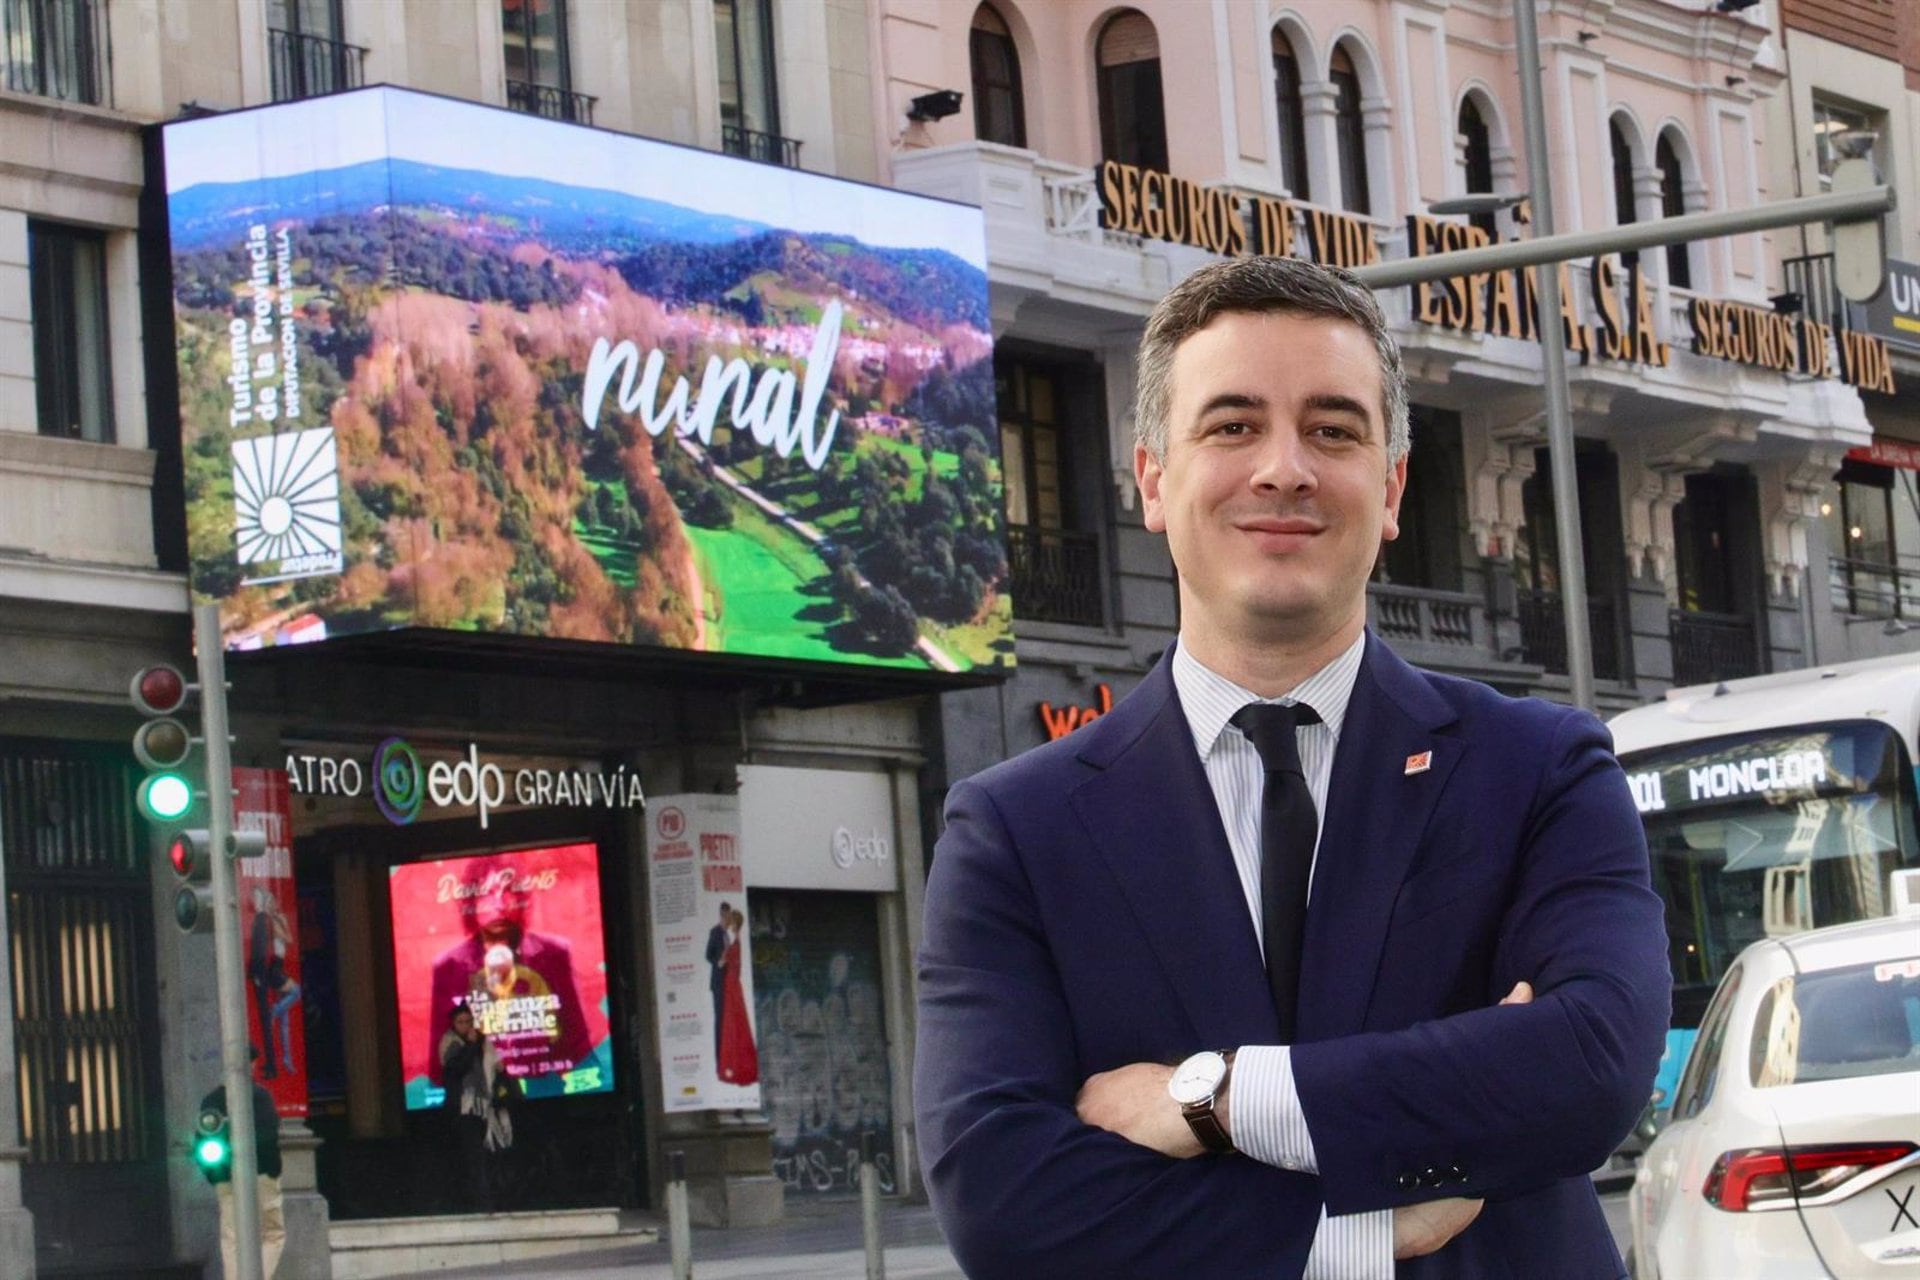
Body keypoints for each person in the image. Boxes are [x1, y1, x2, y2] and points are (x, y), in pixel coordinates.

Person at [914, 256, 1669, 1279]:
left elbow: (1592, 1063)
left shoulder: (1540, 769)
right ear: (1150, 478)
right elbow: (1003, 1198)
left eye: (1333, 429)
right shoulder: (1015, 831)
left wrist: (1213, 1097)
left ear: (1392, 486)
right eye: (1231, 425)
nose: (1284, 467)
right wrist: (1359, 1232)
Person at [426, 859, 590, 1088]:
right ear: (470, 901)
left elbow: (577, 1044)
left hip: (547, 1087)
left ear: (522, 898)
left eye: (508, 892)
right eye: (487, 893)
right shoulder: (448, 965)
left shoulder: (554, 953)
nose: (499, 903)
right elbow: (440, 1064)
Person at [200, 1061, 285, 1280]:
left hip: (225, 1176)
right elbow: (269, 1136)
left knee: (231, 1237)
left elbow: (201, 1139)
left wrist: (215, 1175)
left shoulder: (211, 1100)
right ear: (253, 1065)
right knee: (272, 1233)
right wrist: (271, 1170)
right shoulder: (260, 1096)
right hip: (262, 1174)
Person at [439, 1004, 514, 1209]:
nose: (466, 1026)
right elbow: (456, 1069)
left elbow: (498, 1069)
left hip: (488, 1107)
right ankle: (481, 1202)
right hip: (465, 1109)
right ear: (454, 1025)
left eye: (468, 1021)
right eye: (461, 1022)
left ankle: (497, 1198)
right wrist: (470, 1046)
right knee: (474, 1157)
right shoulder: (450, 1043)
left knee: (493, 1154)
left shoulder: (484, 1042)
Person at [716, 907, 759, 1085]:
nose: (729, 924)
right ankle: (736, 1064)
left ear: (735, 924)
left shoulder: (734, 943)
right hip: (733, 984)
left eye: (731, 921)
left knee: (733, 1024)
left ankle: (735, 1065)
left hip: (731, 985)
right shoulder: (736, 942)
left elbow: (722, 964)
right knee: (736, 1023)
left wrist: (723, 960)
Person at [705, 901, 732, 1060]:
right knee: (720, 1018)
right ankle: (719, 1056)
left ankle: (726, 1053)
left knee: (727, 1018)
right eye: (726, 916)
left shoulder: (726, 935)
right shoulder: (715, 933)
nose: (728, 919)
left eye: (729, 916)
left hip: (727, 982)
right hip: (718, 983)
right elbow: (708, 955)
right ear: (722, 915)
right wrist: (719, 962)